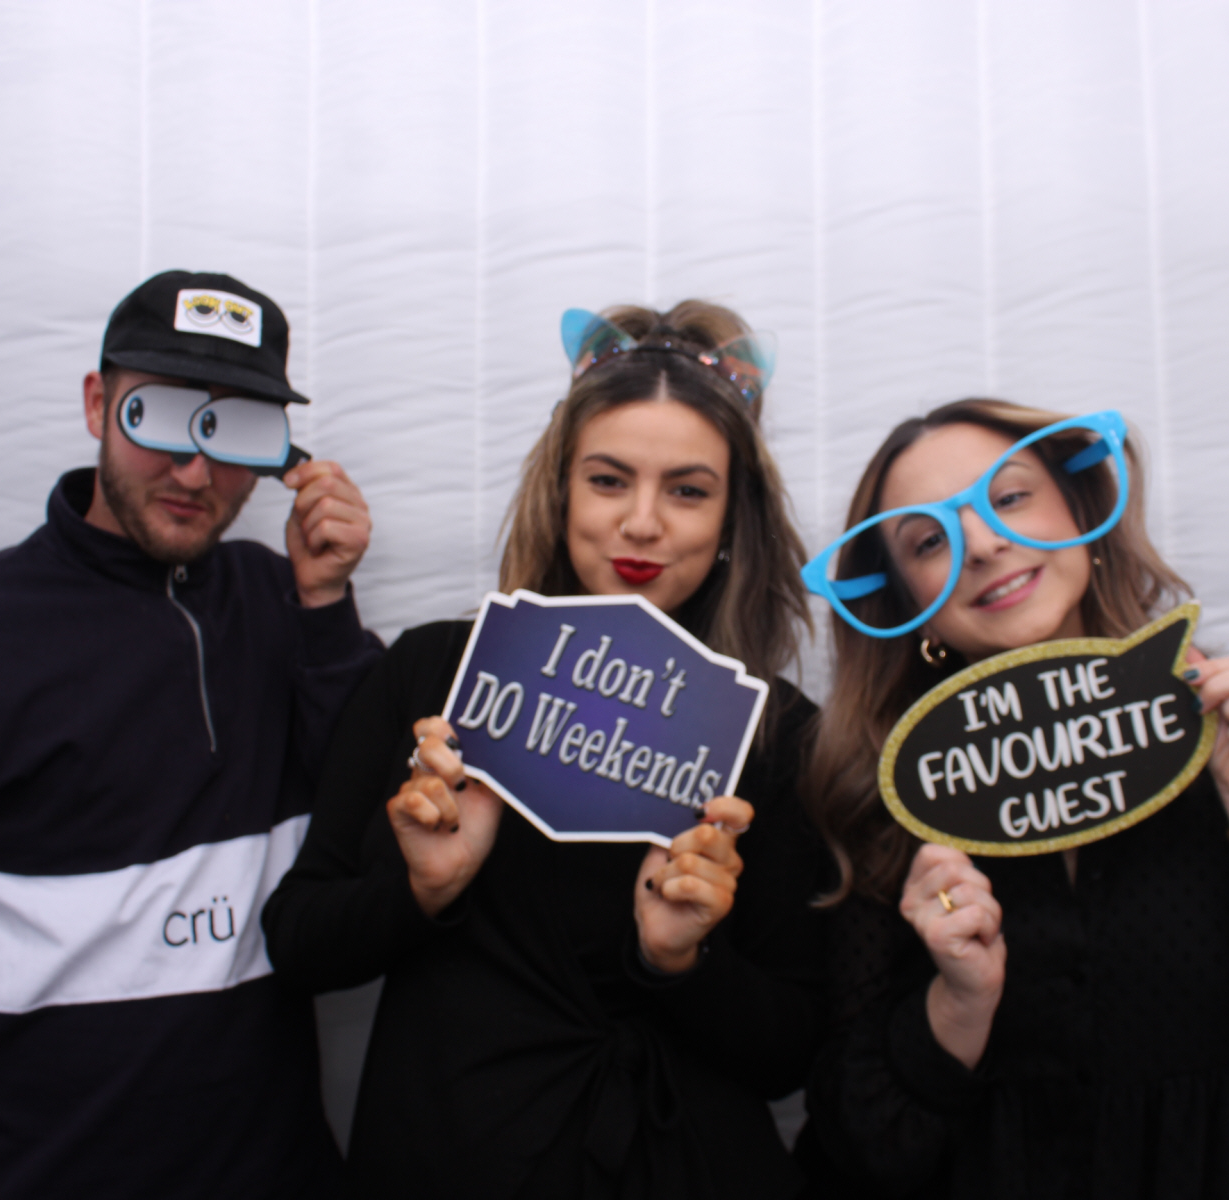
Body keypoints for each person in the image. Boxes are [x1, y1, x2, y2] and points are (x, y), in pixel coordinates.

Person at [0, 270, 381, 1199]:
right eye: (158, 416)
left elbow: (368, 841)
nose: (195, 470)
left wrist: (326, 607)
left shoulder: (283, 601)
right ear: (98, 404)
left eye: (235, 430)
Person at [792, 398, 1229, 1198]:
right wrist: (957, 1004)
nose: (981, 543)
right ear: (908, 603)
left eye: (1009, 496)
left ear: (1082, 510)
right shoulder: (885, 794)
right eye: (929, 541)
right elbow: (860, 1148)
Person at [263, 301, 825, 1198]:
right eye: (608, 481)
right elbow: (298, 944)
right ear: (560, 489)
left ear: (732, 519)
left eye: (688, 490)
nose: (642, 523)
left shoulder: (779, 734)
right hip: (445, 1157)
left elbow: (791, 1055)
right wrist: (421, 890)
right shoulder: (434, 677)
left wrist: (681, 961)